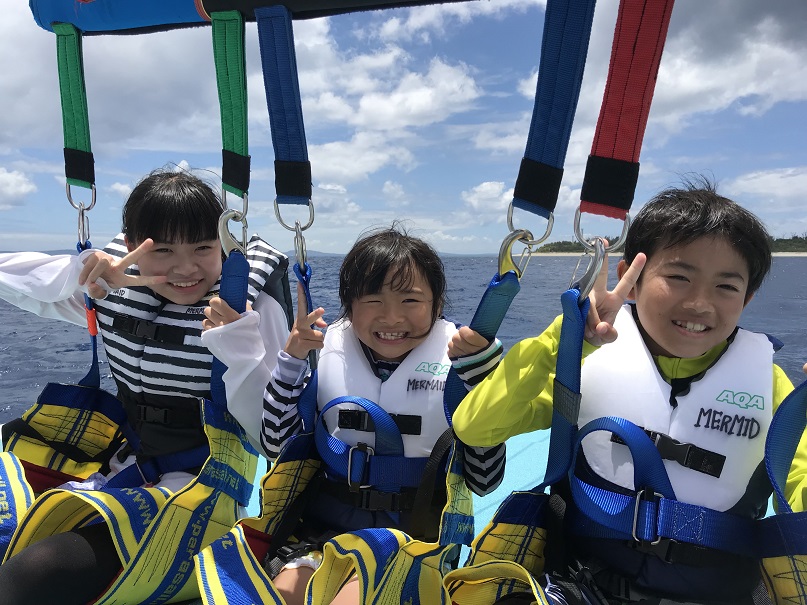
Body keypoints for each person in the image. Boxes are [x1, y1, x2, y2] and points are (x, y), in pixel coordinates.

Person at [452, 180, 804, 604]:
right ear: (630, 280)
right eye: (678, 277)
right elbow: (476, 427)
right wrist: (562, 340)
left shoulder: (771, 388)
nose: (699, 303)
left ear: (746, 299)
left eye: (726, 287)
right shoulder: (580, 360)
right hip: (582, 586)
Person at [0, 168, 292, 605]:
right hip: (118, 467)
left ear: (224, 245)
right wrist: (80, 272)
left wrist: (240, 348)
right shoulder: (116, 293)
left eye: (203, 248)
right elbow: (15, 284)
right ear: (133, 246)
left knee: (35, 574)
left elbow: (272, 438)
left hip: (203, 493)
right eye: (163, 250)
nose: (185, 268)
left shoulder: (251, 309)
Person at [203, 224, 507, 605]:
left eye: (410, 300)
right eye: (373, 300)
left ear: (437, 304)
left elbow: (484, 480)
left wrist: (483, 391)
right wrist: (291, 360)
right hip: (322, 532)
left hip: (412, 543)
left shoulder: (459, 367)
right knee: (279, 595)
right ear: (349, 305)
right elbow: (277, 444)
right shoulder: (324, 349)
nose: (392, 317)